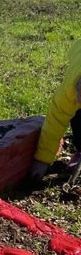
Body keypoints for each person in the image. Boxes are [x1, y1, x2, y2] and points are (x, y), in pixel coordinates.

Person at [30, 39, 81, 179]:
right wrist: (42, 160)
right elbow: (55, 123)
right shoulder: (68, 93)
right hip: (78, 52)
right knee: (77, 115)